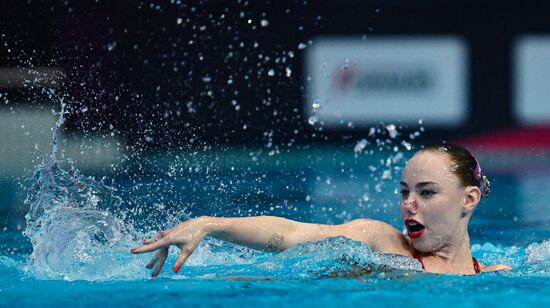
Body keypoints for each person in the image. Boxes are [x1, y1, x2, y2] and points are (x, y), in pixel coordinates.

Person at [130, 144, 513, 277]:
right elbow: (293, 234)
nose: (408, 204)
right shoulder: (381, 242)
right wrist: (208, 225)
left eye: (426, 192)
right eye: (404, 191)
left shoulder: (497, 275)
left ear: (470, 199)